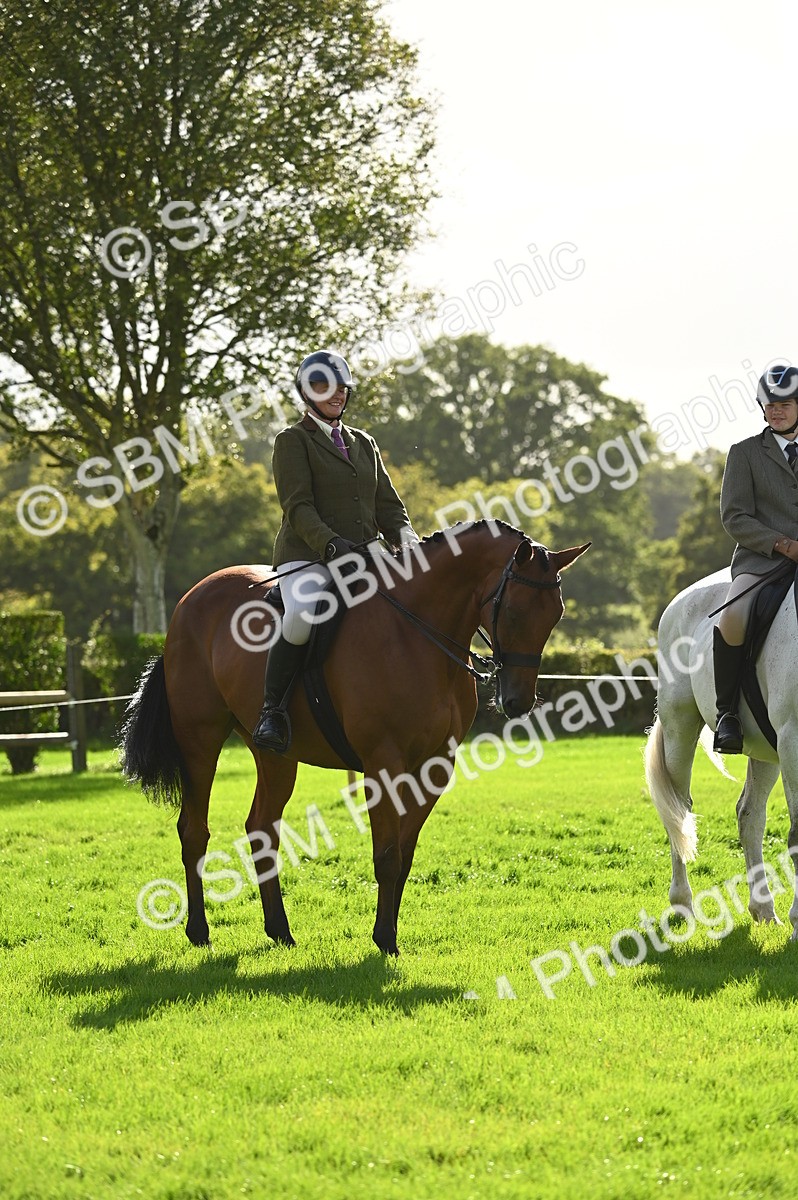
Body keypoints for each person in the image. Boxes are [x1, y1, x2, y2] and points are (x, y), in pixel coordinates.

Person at [252, 349, 418, 753]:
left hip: (364, 553)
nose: (337, 394)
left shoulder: (363, 443)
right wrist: (331, 544)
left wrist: (407, 538)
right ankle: (272, 711)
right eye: (326, 386)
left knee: (411, 604)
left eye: (342, 386)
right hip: (307, 554)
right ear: (308, 392)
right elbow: (298, 506)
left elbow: (388, 506)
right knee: (302, 613)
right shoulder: (292, 441)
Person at [714, 363, 798, 753]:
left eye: (784, 403)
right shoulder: (744, 453)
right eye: (769, 404)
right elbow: (734, 516)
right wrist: (782, 544)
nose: (776, 410)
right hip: (762, 561)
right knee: (732, 616)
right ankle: (727, 714)